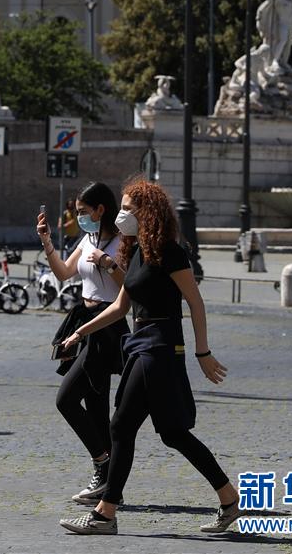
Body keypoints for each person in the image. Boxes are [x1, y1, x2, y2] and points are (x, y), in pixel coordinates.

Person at [58, 178, 241, 535]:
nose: (122, 214)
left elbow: (195, 302)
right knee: (173, 433)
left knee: (120, 426)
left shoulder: (170, 251)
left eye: (128, 208)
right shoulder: (139, 250)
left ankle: (104, 514)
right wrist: (81, 332)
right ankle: (230, 500)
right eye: (122, 207)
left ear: (148, 211)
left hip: (159, 347)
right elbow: (120, 306)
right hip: (140, 344)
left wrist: (202, 351)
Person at [36, 182, 129, 506]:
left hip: (107, 324)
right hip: (85, 321)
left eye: (83, 212)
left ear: (100, 210)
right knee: (96, 403)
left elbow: (128, 286)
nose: (79, 217)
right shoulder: (87, 238)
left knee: (67, 400)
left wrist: (108, 263)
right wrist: (47, 241)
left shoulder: (120, 242)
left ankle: (104, 465)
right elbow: (63, 273)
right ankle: (106, 479)